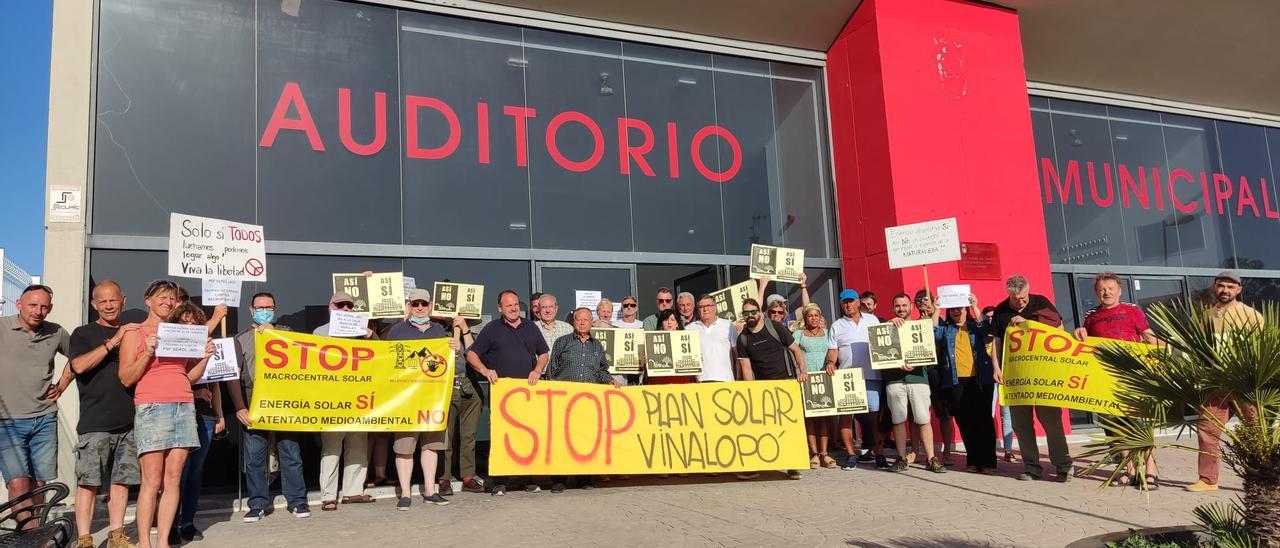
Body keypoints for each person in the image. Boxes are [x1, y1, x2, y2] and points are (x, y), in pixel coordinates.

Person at [118, 281, 213, 548]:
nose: (168, 302)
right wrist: (148, 351)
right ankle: (145, 543)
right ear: (148, 300)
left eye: (172, 298)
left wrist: (205, 357)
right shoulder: (135, 332)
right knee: (152, 480)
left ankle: (162, 542)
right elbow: (126, 378)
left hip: (184, 405)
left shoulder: (181, 331)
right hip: (152, 406)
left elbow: (188, 376)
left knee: (174, 479)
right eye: (162, 297)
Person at [1071, 272, 1159, 489]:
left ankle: (1150, 469)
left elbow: (1148, 336)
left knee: (1139, 423)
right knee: (1116, 426)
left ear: (1119, 291)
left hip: (1132, 376)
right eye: (1102, 289)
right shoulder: (1091, 317)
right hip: (1104, 379)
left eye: (1110, 288)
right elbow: (1085, 345)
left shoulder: (1132, 311)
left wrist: (1161, 348)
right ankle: (1129, 471)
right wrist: (1078, 333)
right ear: (1096, 293)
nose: (1106, 292)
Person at [67, 281, 139, 548]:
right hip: (95, 422)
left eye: (114, 300)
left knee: (122, 482)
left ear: (123, 300)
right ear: (94, 305)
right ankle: (84, 539)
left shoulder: (134, 333)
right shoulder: (83, 333)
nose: (109, 305)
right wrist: (115, 341)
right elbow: (79, 365)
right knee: (88, 483)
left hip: (129, 422)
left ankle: (117, 535)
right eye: (103, 301)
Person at [229, 292, 310, 522]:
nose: (264, 310)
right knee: (255, 457)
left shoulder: (287, 333)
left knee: (291, 453)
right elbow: (233, 376)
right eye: (260, 307)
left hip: (285, 403)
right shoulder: (241, 338)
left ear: (275, 308)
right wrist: (240, 407)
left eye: (269, 306)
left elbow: (305, 361)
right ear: (251, 310)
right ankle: (257, 504)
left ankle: (297, 501)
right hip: (254, 402)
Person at [0, 284, 72, 528]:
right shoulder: (2, 328)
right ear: (18, 304)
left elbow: (78, 360)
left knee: (40, 483)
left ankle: (32, 532)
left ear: (50, 308)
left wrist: (61, 385)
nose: (38, 311)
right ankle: (32, 537)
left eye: (44, 306)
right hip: (7, 422)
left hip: (44, 418)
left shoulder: (56, 332)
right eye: (32, 305)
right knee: (18, 483)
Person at [466, 289, 550, 496]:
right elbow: (472, 355)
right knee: (502, 437)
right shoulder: (491, 329)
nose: (513, 309)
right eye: (508, 305)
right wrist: (485, 370)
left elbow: (544, 353)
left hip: (527, 393)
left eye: (515, 305)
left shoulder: (530, 327)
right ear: (499, 309)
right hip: (502, 394)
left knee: (526, 436)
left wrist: (538, 370)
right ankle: (499, 481)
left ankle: (526, 479)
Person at [1186, 270, 1263, 493]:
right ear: (1215, 287)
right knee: (1207, 430)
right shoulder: (1206, 316)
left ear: (1238, 290)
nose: (1225, 290)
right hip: (1215, 382)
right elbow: (1200, 349)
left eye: (1230, 287)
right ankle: (1208, 479)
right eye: (1221, 286)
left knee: (1256, 431)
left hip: (1244, 382)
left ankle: (1261, 477)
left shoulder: (1252, 316)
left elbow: (1261, 350)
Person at [385, 288, 462, 509]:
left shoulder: (440, 331)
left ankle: (430, 491)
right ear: (409, 305)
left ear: (430, 306)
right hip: (406, 399)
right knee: (404, 447)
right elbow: (385, 361)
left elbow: (449, 363)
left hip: (433, 399)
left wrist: (455, 348)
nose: (420, 307)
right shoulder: (397, 331)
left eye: (424, 304)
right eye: (416, 303)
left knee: (431, 446)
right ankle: (406, 494)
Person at [990, 274, 1072, 482]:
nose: (1021, 301)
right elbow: (996, 343)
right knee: (1021, 424)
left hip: (1042, 374)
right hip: (1016, 376)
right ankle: (1032, 468)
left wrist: (1028, 322)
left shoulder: (1041, 302)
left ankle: (1063, 465)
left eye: (1024, 297)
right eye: (1016, 298)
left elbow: (1059, 330)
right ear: (1009, 294)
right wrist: (996, 368)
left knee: (1051, 421)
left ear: (1028, 290)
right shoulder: (1001, 311)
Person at [539, 308, 618, 491]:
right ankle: (560, 479)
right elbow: (552, 371)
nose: (582, 323)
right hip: (565, 402)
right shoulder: (562, 342)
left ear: (592, 323)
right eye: (579, 320)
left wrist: (610, 380)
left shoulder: (597, 346)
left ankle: (584, 478)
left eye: (586, 320)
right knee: (562, 441)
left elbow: (601, 370)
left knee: (585, 440)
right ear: (573, 322)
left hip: (588, 404)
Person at [313, 291, 378, 510]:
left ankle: (353, 492)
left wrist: (371, 338)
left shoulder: (363, 332)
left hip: (358, 398)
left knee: (358, 446)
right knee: (331, 448)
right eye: (341, 305)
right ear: (331, 307)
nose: (346, 309)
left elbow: (381, 359)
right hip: (332, 399)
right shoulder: (320, 332)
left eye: (350, 306)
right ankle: (329, 495)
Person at [735, 298, 808, 480]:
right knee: (763, 427)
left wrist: (802, 371)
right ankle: (758, 466)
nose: (750, 316)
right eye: (746, 313)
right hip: (763, 387)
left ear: (760, 312)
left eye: (753, 312)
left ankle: (793, 466)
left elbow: (796, 350)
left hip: (786, 383)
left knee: (789, 426)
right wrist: (751, 390)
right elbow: (746, 368)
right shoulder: (742, 338)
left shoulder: (776, 328)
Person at [170, 302, 225, 544]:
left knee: (195, 472)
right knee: (176, 474)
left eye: (195, 322)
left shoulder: (208, 345)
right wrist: (193, 393)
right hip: (178, 412)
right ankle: (169, 523)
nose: (190, 325)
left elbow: (216, 383)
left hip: (205, 416)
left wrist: (220, 414)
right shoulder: (170, 346)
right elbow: (167, 381)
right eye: (184, 321)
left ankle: (188, 522)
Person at [882, 296, 947, 474]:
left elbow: (932, 328)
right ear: (893, 307)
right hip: (895, 380)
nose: (901, 309)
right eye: (897, 306)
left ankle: (931, 458)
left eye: (904, 305)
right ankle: (901, 458)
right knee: (898, 420)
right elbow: (879, 348)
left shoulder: (921, 324)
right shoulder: (888, 326)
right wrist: (888, 324)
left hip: (918, 379)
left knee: (923, 419)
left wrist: (937, 309)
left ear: (911, 306)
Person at [936, 296, 998, 474]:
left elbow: (987, 328)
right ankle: (973, 460)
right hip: (956, 381)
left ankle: (988, 462)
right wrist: (937, 310)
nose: (956, 311)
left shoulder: (975, 327)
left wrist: (975, 307)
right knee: (965, 422)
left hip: (980, 381)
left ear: (965, 309)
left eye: (960, 308)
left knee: (984, 421)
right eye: (953, 309)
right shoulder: (946, 330)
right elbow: (933, 332)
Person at [825, 288, 883, 470]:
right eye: (844, 302)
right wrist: (830, 362)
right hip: (848, 377)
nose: (848, 304)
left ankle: (879, 453)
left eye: (851, 301)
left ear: (858, 302)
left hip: (873, 375)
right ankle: (851, 454)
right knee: (846, 416)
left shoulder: (873, 320)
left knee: (874, 417)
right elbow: (833, 349)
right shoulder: (837, 325)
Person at [438, 306, 484, 496]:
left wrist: (464, 330)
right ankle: (444, 478)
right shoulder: (438, 333)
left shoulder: (475, 335)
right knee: (445, 437)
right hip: (446, 386)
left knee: (468, 436)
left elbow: (477, 356)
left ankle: (467, 476)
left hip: (470, 386)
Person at [792, 303, 836, 469]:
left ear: (820, 316)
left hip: (824, 378)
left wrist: (832, 363)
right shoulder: (798, 334)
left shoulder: (827, 333)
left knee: (824, 416)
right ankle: (814, 453)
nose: (813, 318)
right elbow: (792, 353)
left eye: (816, 315)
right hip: (806, 378)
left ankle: (824, 453)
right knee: (809, 417)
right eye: (810, 316)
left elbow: (833, 350)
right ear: (805, 318)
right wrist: (799, 370)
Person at [914, 290, 954, 464]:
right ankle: (916, 451)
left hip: (939, 372)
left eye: (926, 300)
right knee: (918, 413)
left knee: (944, 414)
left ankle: (947, 451)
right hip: (920, 373)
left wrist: (935, 317)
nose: (923, 303)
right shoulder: (913, 324)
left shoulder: (945, 322)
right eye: (919, 300)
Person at [983, 305, 1017, 463]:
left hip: (1004, 376)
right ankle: (988, 448)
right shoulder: (981, 333)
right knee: (987, 414)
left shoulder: (1004, 334)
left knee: (1006, 414)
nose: (990, 319)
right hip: (988, 379)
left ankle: (1008, 450)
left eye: (992, 316)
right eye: (987, 317)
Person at [687, 294, 738, 383]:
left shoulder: (728, 325)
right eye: (701, 307)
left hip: (726, 380)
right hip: (701, 381)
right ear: (698, 310)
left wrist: (739, 376)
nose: (705, 309)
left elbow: (736, 353)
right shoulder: (689, 328)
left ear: (715, 308)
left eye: (708, 306)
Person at [644, 309, 695, 385]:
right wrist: (645, 364)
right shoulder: (651, 342)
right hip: (659, 383)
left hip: (683, 383)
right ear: (661, 324)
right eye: (666, 320)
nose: (669, 322)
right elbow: (646, 373)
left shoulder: (688, 340)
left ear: (677, 323)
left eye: (672, 319)